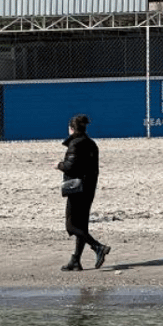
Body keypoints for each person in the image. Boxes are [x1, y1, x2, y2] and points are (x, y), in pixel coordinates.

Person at [55, 113, 110, 271]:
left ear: (72, 129)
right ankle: (76, 260)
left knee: (71, 225)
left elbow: (70, 166)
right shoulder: (92, 144)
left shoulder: (75, 144)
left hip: (77, 188)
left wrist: (58, 165)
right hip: (89, 188)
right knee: (82, 226)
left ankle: (98, 247)